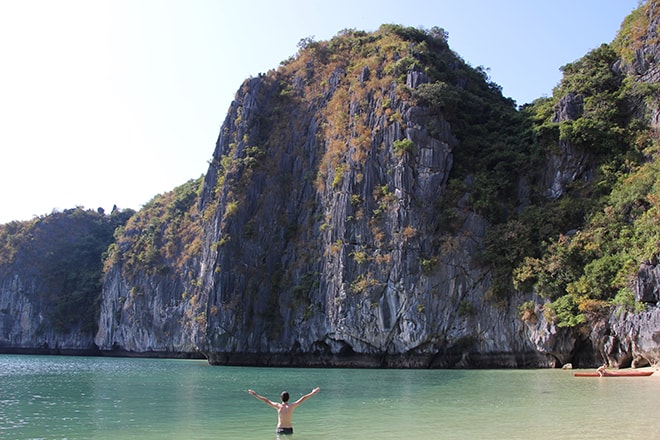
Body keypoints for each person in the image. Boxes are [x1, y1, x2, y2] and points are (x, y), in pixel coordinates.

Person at [247, 387, 320, 435]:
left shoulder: (278, 406)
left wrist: (255, 394)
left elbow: (266, 400)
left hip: (280, 429)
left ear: (281, 398)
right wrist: (313, 392)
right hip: (289, 428)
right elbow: (303, 398)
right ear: (289, 398)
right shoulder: (291, 406)